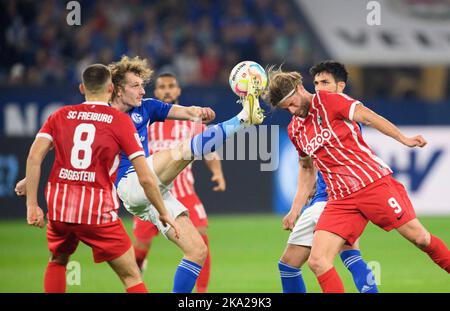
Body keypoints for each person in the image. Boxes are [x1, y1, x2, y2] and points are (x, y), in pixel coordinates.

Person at [265, 66, 450, 293]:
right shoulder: (296, 129)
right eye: (286, 109)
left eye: (292, 103)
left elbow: (369, 117)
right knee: (318, 261)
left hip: (372, 184)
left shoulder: (329, 101)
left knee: (421, 238)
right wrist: (295, 209)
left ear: (299, 87)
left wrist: (404, 139)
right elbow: (305, 168)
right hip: (340, 199)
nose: (292, 111)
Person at [109, 56, 264, 292]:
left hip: (155, 192)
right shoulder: (102, 114)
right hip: (132, 183)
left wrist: (198, 112)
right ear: (118, 90)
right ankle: (243, 118)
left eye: (143, 85)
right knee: (183, 150)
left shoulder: (148, 107)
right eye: (136, 86)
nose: (143, 90)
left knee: (197, 250)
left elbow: (186, 111)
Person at [24, 64, 179, 293]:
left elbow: (34, 158)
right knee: (132, 276)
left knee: (58, 261)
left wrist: (31, 204)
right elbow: (145, 177)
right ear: (110, 88)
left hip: (60, 207)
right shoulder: (119, 121)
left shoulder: (59, 115)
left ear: (81, 88)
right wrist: (163, 211)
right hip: (96, 210)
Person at [278, 61, 378, 293]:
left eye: (326, 83)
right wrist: (297, 206)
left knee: (322, 261)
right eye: (317, 83)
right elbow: (309, 165)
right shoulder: (310, 115)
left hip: (338, 198)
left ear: (340, 87)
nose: (320, 88)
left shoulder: (339, 110)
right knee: (347, 256)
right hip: (326, 197)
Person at [132, 72, 226, 293]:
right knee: (139, 250)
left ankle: (201, 293)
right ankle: (134, 282)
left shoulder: (191, 121)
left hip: (184, 192)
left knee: (201, 242)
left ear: (178, 90)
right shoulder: (145, 120)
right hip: (150, 194)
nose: (166, 90)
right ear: (155, 92)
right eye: (162, 86)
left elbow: (208, 149)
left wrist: (218, 173)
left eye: (171, 86)